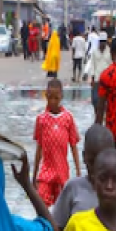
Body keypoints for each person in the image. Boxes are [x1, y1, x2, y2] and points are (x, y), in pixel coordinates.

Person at [33, 79, 81, 207]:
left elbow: (73, 146)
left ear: (61, 97)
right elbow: (39, 149)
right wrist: (34, 175)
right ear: (46, 96)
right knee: (41, 205)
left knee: (61, 209)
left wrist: (78, 172)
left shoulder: (68, 118)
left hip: (62, 173)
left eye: (56, 98)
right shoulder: (41, 119)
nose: (53, 101)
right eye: (50, 97)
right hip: (45, 173)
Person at [86, 36, 112, 118]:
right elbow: (92, 65)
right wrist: (92, 78)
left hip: (107, 80)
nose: (102, 43)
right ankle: (97, 114)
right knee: (95, 99)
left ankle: (104, 116)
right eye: (101, 42)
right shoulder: (94, 52)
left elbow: (111, 65)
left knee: (106, 100)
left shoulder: (110, 52)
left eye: (104, 42)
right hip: (97, 79)